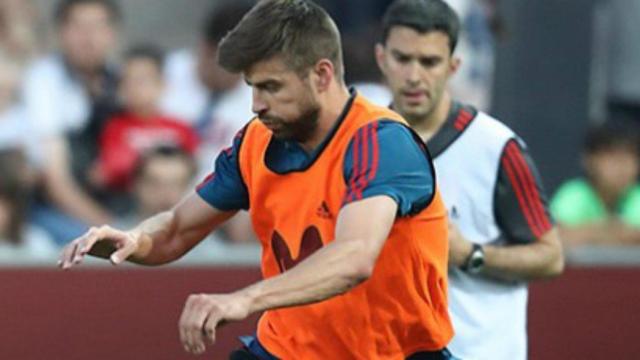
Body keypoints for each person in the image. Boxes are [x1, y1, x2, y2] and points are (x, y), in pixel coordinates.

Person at [60, 1, 456, 359]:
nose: (256, 104)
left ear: (321, 75)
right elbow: (178, 228)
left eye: (271, 86)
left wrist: (246, 299)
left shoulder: (380, 141)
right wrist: (134, 240)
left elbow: (355, 256)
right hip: (285, 349)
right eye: (252, 86)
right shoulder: (256, 139)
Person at [375, 1, 564, 359]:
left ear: (453, 66)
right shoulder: (359, 142)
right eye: (403, 59)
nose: (414, 76)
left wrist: (470, 254)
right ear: (381, 58)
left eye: (429, 62)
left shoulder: (496, 147)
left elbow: (551, 257)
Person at [21, 0, 120, 244]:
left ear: (113, 34)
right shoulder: (43, 80)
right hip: (53, 210)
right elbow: (55, 181)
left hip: (116, 203)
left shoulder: (124, 79)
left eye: (98, 27)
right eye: (79, 28)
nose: (89, 39)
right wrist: (113, 229)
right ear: (60, 33)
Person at [160, 0, 257, 243]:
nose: (239, 73)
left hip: (221, 208)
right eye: (231, 63)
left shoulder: (259, 96)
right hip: (158, 200)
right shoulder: (164, 76)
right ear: (206, 49)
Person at [92, 45, 198, 191]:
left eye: (142, 80)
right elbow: (110, 169)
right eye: (128, 81)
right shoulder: (114, 127)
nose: (135, 88)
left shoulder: (180, 127)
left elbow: (193, 168)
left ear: (162, 84)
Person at [551, 125, 640, 246]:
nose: (622, 165)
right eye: (612, 156)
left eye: (630, 156)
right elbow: (555, 237)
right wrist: (614, 231)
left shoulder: (636, 195)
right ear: (589, 160)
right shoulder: (574, 194)